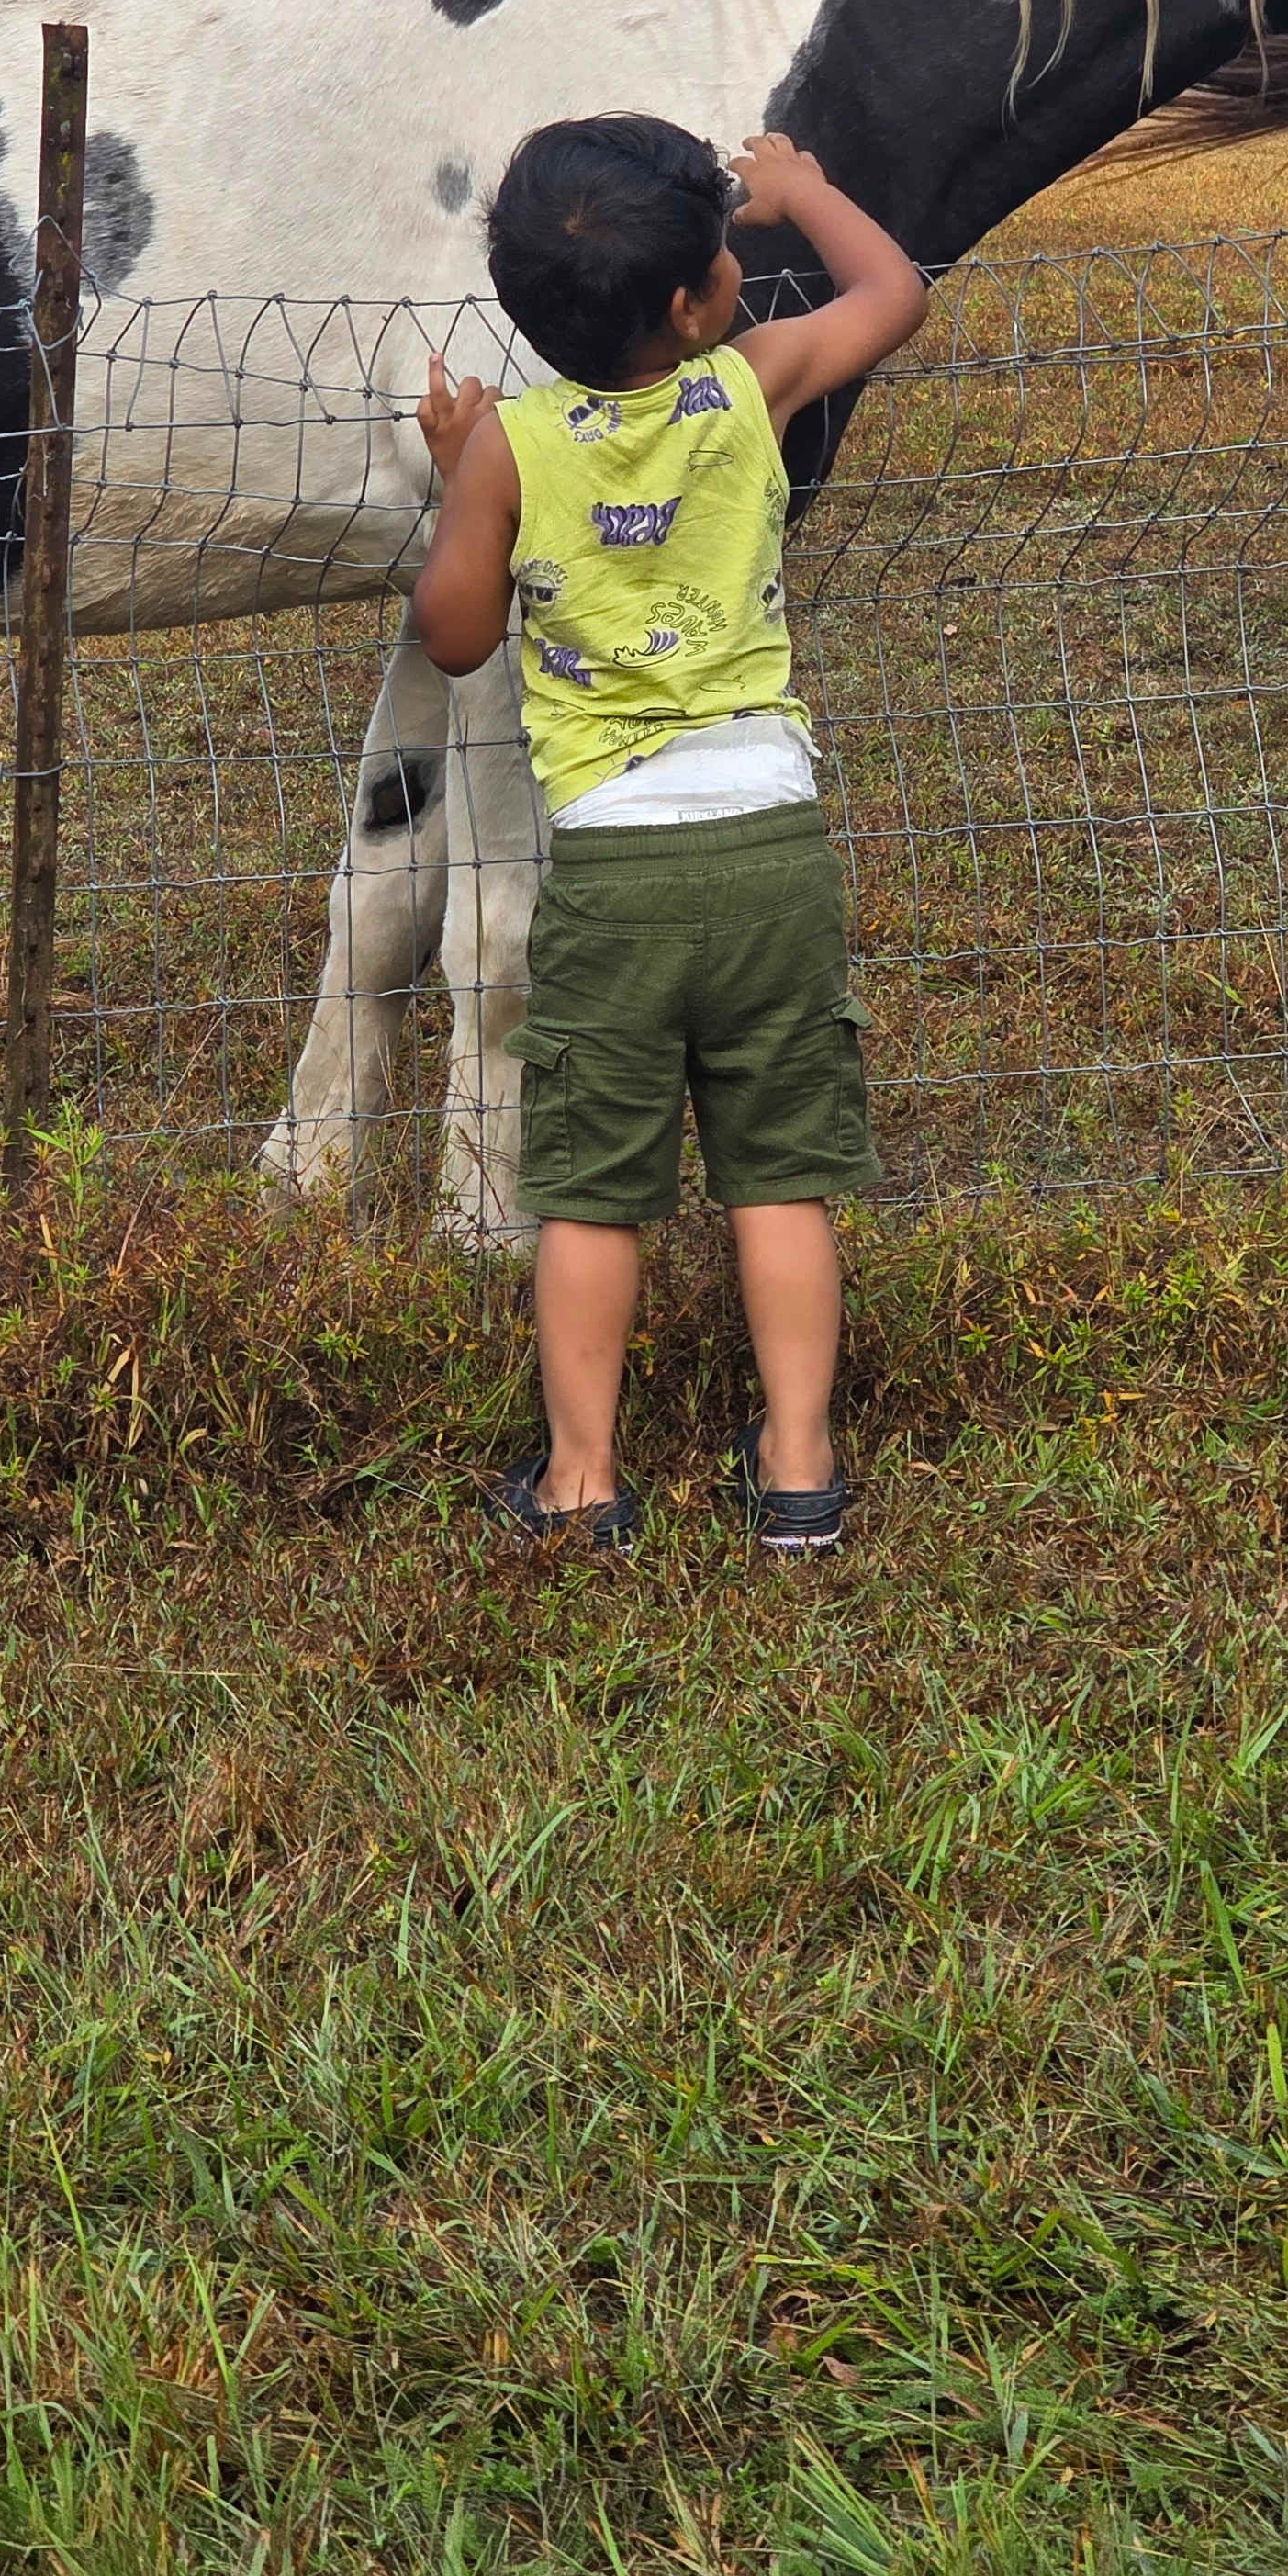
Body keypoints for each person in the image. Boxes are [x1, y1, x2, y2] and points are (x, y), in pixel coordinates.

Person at [410, 114, 930, 1555]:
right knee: (779, 1174)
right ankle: (801, 1469)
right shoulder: (748, 387)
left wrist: (467, 481)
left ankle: (581, 1482)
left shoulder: (510, 448)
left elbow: (452, 638)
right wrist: (811, 193)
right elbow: (894, 299)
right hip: (770, 841)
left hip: (618, 874)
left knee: (592, 1192)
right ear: (702, 298)